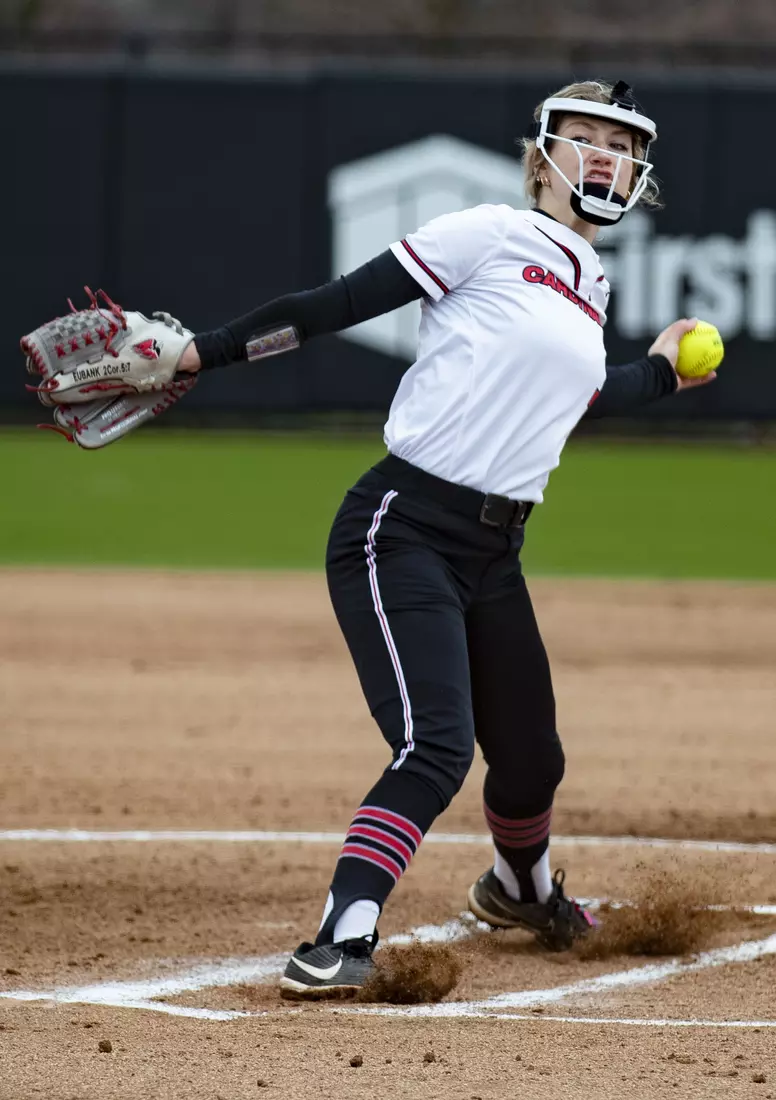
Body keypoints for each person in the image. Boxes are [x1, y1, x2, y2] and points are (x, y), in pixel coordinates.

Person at [178, 79, 716, 998]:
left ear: (639, 173)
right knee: (436, 746)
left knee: (534, 758)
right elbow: (334, 303)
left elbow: (583, 396)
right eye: (584, 137)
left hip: (492, 553)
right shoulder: (490, 234)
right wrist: (208, 351)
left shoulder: (590, 281)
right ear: (541, 156)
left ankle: (519, 888)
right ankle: (342, 936)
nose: (603, 157)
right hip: (403, 526)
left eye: (619, 147)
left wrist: (661, 375)